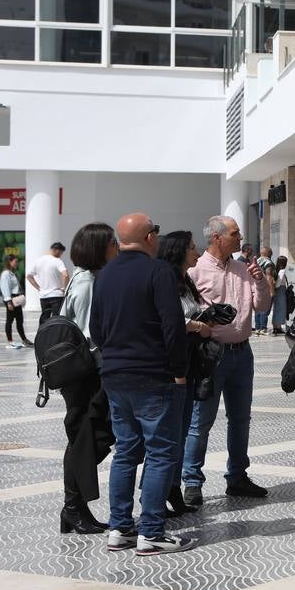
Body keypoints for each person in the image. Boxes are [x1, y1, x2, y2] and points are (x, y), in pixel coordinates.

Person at [89, 213, 193, 556]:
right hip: (153, 375)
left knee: (126, 451)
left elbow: (97, 329)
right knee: (161, 453)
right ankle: (151, 531)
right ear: (149, 236)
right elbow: (173, 325)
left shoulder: (105, 275)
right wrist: (179, 369)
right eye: (156, 231)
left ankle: (119, 528)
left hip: (116, 377)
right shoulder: (158, 271)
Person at [182, 215, 273, 508]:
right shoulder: (195, 271)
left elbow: (262, 306)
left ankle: (237, 476)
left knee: (241, 419)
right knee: (200, 420)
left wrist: (259, 283)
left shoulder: (244, 268)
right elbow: (186, 312)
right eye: (235, 233)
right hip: (211, 354)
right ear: (217, 237)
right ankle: (192, 481)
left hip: (242, 353)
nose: (240, 237)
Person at [56, 223, 118, 535]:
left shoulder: (86, 278)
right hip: (86, 374)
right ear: (98, 248)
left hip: (82, 373)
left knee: (84, 440)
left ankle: (75, 507)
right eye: (111, 243)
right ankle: (73, 507)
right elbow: (90, 334)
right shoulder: (87, 283)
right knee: (87, 440)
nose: (116, 247)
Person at [157, 231, 211, 517]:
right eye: (191, 247)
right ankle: (161, 490)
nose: (196, 251)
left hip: (190, 364)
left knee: (182, 428)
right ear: (178, 250)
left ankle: (172, 488)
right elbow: (172, 321)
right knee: (172, 432)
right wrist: (197, 326)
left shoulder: (186, 280)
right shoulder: (167, 280)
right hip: (174, 368)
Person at [28, 241, 70, 324]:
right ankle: (54, 336)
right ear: (57, 250)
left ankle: (43, 335)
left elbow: (29, 276)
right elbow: (66, 275)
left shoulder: (38, 261)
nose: (60, 255)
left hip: (43, 296)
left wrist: (39, 288)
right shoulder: (57, 261)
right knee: (56, 319)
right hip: (57, 295)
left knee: (44, 318)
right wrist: (64, 288)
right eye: (61, 253)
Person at [0, 254, 31, 348]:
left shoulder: (11, 273)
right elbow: (5, 289)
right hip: (10, 299)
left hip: (15, 300)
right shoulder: (6, 274)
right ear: (10, 262)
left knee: (20, 320)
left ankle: (24, 339)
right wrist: (9, 302)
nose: (17, 264)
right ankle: (10, 341)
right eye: (15, 262)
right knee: (10, 320)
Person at [254, 248, 276, 334]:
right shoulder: (268, 263)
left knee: (258, 308)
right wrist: (272, 291)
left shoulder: (257, 262)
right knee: (265, 308)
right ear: (269, 253)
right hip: (266, 288)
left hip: (257, 287)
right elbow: (269, 277)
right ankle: (263, 328)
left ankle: (257, 328)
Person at [270, 256, 291, 335]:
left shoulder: (277, 270)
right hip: (280, 290)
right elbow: (278, 283)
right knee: (280, 308)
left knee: (277, 308)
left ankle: (276, 326)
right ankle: (277, 327)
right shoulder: (282, 271)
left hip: (278, 290)